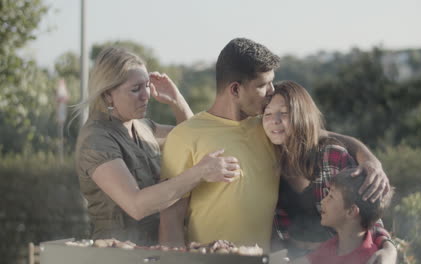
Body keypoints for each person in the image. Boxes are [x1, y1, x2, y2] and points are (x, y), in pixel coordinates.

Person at [159, 38, 390, 251]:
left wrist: (368, 159)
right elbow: (171, 220)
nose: (271, 92)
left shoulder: (267, 126)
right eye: (264, 85)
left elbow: (318, 134)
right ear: (236, 89)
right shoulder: (184, 136)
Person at [75, 47, 240, 246]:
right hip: (118, 255)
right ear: (108, 95)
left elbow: (191, 140)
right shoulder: (96, 138)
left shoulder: (143, 127)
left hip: (156, 250)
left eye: (146, 86)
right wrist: (199, 173)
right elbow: (136, 205)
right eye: (135, 89)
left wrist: (176, 101)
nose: (146, 95)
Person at [262, 80, 396, 263]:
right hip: (290, 257)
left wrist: (388, 247)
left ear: (302, 115)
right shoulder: (265, 157)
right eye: (267, 113)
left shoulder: (331, 156)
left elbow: (361, 210)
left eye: (284, 113)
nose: (274, 120)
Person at [303, 168, 394, 264]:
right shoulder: (331, 246)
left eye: (331, 197)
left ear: (351, 211)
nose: (322, 201)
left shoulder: (371, 260)